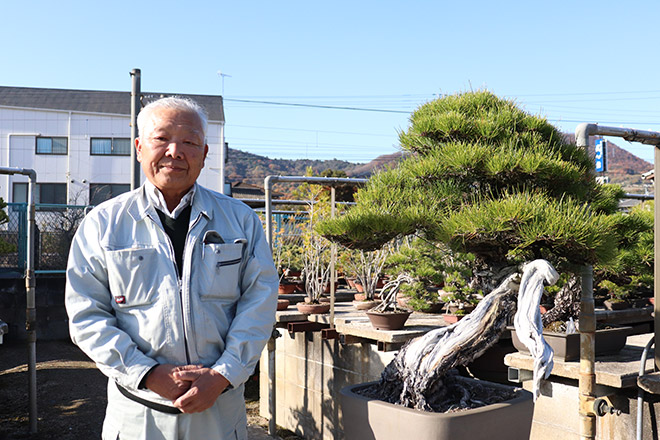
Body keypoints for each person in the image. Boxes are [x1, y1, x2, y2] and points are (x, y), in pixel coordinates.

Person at [65, 96, 278, 439]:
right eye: (161, 138)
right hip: (137, 413)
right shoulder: (103, 224)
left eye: (190, 142)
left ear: (205, 153)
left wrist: (223, 374)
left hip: (220, 410)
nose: (175, 152)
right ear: (138, 147)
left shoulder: (240, 221)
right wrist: (146, 373)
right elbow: (86, 315)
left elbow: (260, 301)